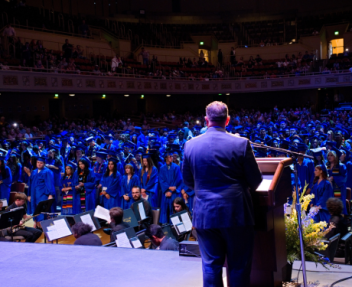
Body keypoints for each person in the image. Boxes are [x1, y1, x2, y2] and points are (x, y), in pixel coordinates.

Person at [182, 101, 262, 287]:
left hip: (205, 214)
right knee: (238, 266)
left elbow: (187, 181)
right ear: (227, 120)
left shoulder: (190, 145)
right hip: (236, 214)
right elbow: (255, 181)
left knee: (210, 266)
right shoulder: (241, 144)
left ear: (206, 120)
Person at [28, 157, 55, 225]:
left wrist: (50, 194)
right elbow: (30, 184)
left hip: (43, 194)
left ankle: (43, 225)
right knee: (35, 209)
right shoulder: (34, 171)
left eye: (41, 163)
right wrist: (29, 195)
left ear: (44, 164)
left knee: (42, 210)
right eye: (38, 162)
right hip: (34, 194)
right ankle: (36, 224)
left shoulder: (47, 172)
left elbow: (50, 183)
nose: (39, 164)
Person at [159, 152, 183, 224]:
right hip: (166, 193)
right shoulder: (162, 168)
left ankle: (175, 227)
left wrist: (171, 191)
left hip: (174, 193)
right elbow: (161, 180)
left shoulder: (176, 167)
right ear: (166, 157)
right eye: (170, 156)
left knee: (174, 210)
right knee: (165, 210)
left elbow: (178, 180)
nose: (171, 158)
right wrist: (168, 189)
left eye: (172, 156)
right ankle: (166, 228)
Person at [327, 150, 348, 215]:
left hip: (338, 188)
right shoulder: (327, 165)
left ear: (335, 156)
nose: (329, 157)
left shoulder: (341, 166)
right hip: (329, 188)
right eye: (328, 155)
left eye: (331, 155)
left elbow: (344, 177)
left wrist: (334, 178)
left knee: (338, 203)